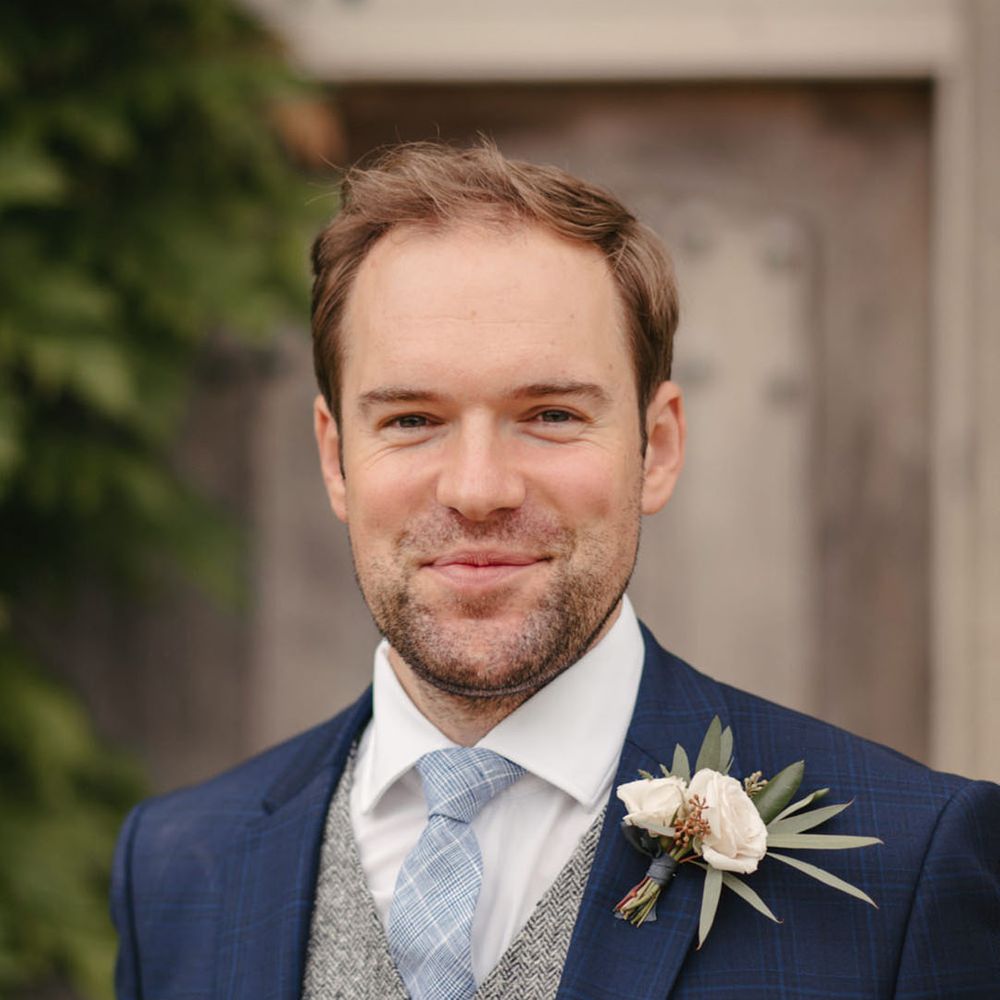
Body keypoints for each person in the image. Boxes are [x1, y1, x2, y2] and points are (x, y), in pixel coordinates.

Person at [111, 141, 1000, 1000]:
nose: (477, 490)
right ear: (336, 458)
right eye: (412, 420)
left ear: (655, 447)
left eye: (550, 414)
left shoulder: (909, 863)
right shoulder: (177, 868)